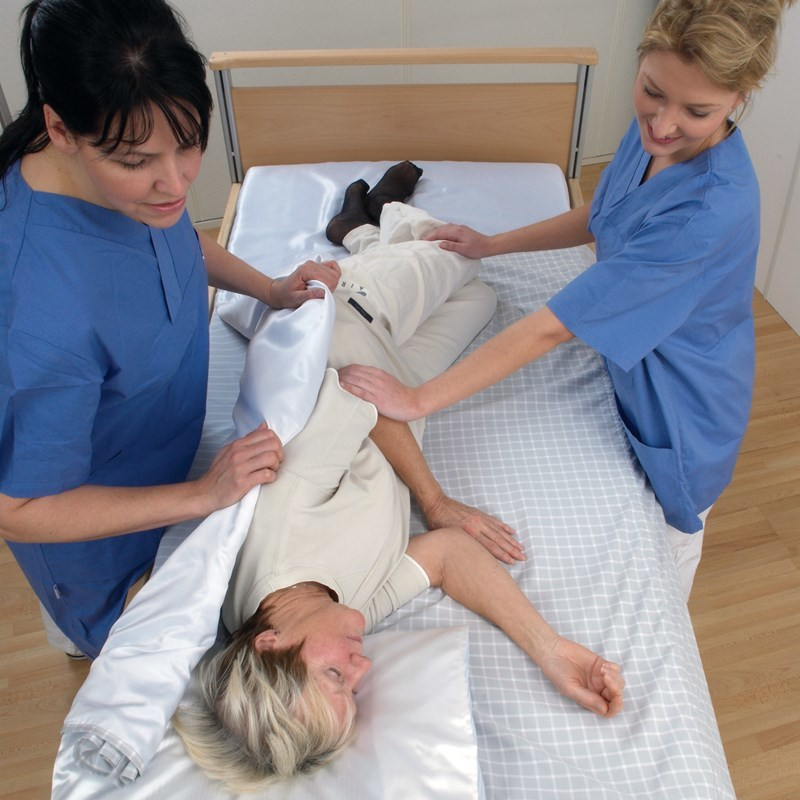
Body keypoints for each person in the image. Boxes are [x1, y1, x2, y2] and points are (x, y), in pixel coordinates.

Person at [174, 182, 624, 791]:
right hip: (392, 376)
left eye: (337, 679)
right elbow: (445, 556)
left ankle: (372, 234)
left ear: (271, 643)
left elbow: (364, 397)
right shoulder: (335, 613)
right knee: (483, 299)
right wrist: (550, 649)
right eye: (354, 692)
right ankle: (364, 233)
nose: (362, 669)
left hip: (350, 330)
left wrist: (434, 501)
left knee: (465, 255)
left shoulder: (281, 524)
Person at [339, 0, 797, 599]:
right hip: (635, 369)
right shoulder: (654, 143)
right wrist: (491, 244)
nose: (663, 123)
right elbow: (603, 217)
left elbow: (551, 327)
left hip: (681, 407)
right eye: (653, 91)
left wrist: (418, 399)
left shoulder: (707, 211)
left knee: (658, 578)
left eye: (697, 110)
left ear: (739, 98)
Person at [0, 0, 339, 660]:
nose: (176, 180)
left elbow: (174, 236)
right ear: (60, 129)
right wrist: (200, 495)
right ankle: (74, 631)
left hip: (169, 453)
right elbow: (21, 504)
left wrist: (267, 288)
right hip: (101, 530)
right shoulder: (42, 312)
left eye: (188, 146)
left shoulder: (122, 171)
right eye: (138, 162)